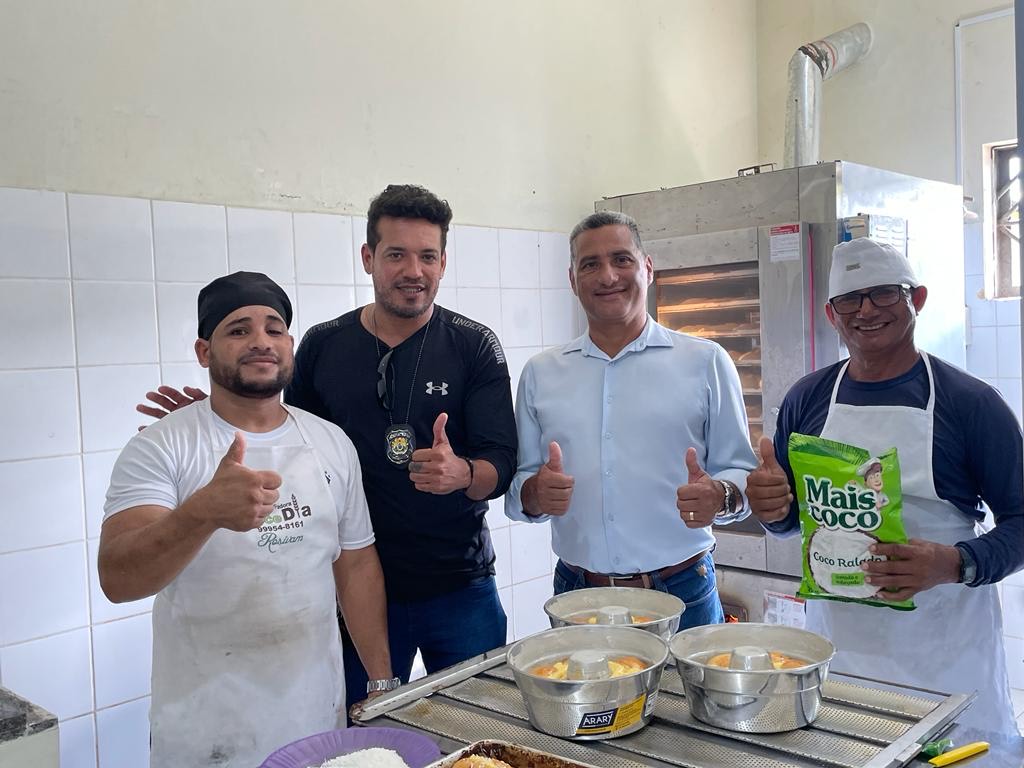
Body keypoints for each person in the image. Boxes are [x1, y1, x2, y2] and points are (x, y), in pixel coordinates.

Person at [138, 185, 517, 711]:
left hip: (458, 585)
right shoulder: (324, 344)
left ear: (443, 262)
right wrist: (214, 418)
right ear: (368, 258)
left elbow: (503, 460)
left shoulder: (474, 344)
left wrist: (463, 472)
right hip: (349, 587)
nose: (414, 270)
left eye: (428, 256)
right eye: (396, 254)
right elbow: (285, 435)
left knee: (484, 728)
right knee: (364, 740)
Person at [100, 272, 392, 768]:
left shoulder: (330, 442)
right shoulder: (163, 446)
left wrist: (382, 684)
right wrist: (202, 513)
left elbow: (356, 565)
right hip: (205, 735)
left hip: (315, 723)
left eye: (274, 329)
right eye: (238, 330)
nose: (261, 341)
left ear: (290, 345)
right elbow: (118, 578)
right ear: (203, 350)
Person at [744, 237, 1023, 737]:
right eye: (850, 299)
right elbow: (791, 522)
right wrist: (771, 509)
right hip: (841, 651)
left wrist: (955, 562)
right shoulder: (807, 399)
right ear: (833, 314)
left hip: (944, 651)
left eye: (884, 294)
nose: (866, 310)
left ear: (915, 299)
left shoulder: (971, 404)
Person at [505, 210, 758, 628]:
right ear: (573, 280)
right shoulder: (541, 373)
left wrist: (722, 495)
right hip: (578, 595)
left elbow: (741, 470)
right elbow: (518, 489)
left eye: (621, 259)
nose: (607, 276)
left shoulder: (705, 361)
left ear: (648, 268)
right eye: (590, 264)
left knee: (689, 697)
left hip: (683, 592)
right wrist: (534, 493)